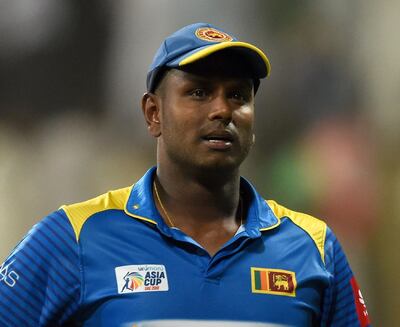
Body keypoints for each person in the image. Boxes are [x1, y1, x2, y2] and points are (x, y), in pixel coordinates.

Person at [0, 23, 371, 327]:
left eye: (239, 95)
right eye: (198, 91)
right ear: (153, 113)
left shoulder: (315, 248)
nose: (222, 109)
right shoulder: (74, 238)